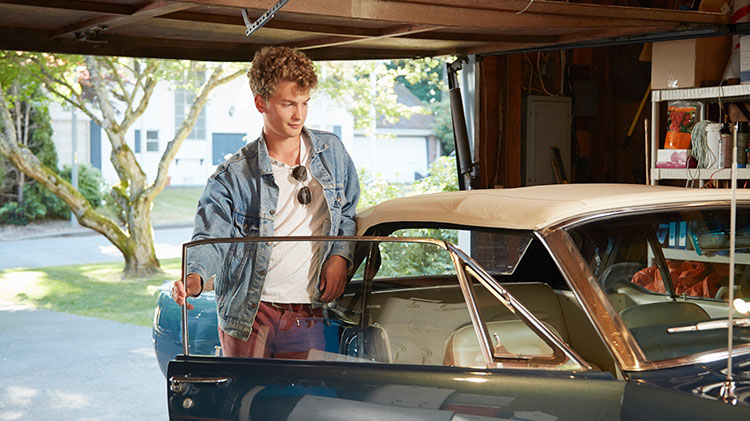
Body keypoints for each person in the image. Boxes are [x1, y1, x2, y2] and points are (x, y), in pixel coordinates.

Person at [171, 46, 359, 359]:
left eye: (304, 103)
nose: (299, 114)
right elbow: (211, 240)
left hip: (308, 313)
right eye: (288, 104)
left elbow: (348, 213)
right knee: (246, 404)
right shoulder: (231, 176)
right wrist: (194, 277)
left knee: (304, 404)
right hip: (249, 314)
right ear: (261, 103)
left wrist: (340, 256)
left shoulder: (332, 152)